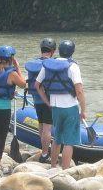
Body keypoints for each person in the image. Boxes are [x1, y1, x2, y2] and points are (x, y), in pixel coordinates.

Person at [35, 40, 86, 169]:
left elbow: (37, 85)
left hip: (55, 106)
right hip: (70, 107)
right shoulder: (73, 66)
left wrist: (47, 101)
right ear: (72, 52)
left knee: (57, 138)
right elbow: (79, 90)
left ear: (58, 51)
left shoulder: (48, 64)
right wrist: (83, 110)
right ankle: (65, 170)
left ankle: (53, 167)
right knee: (69, 141)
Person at [24, 38, 56, 163]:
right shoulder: (52, 64)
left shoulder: (33, 63)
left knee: (41, 125)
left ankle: (44, 149)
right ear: (52, 51)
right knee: (47, 128)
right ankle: (44, 154)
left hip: (36, 99)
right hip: (48, 100)